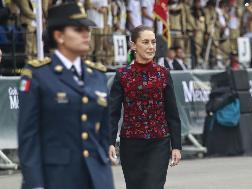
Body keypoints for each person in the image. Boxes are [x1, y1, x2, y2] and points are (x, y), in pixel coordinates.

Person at [17, 2, 115, 189]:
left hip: (96, 178)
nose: (86, 34)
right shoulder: (38, 75)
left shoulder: (97, 75)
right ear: (59, 36)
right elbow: (28, 137)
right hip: (56, 179)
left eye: (87, 28)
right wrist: (35, 184)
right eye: (78, 29)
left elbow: (103, 133)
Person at [109, 25, 182, 189]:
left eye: (153, 42)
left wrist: (176, 145)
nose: (151, 47)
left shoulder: (163, 73)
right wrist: (110, 141)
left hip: (159, 142)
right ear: (133, 45)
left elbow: (172, 113)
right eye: (146, 42)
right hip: (131, 143)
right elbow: (113, 113)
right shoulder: (122, 75)